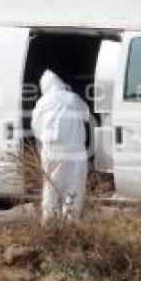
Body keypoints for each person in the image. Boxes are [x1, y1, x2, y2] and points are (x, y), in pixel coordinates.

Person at [31, 70, 90, 222]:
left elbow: (36, 128)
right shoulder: (73, 98)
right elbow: (87, 115)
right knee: (73, 185)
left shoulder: (43, 102)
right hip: (75, 150)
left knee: (51, 185)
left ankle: (50, 222)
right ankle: (70, 223)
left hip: (52, 149)